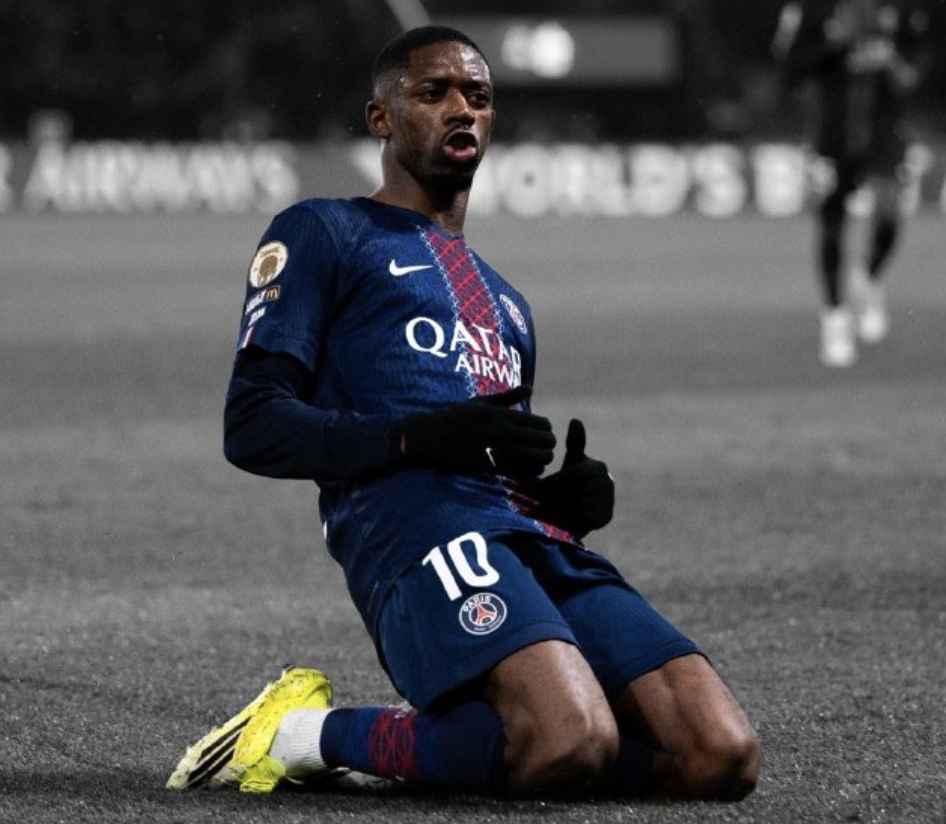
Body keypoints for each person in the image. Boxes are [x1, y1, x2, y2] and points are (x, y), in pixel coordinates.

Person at [166, 25, 760, 801]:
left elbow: (488, 461)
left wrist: (562, 502)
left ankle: (494, 737)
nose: (461, 109)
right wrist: (418, 436)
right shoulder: (324, 231)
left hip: (534, 541)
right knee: (568, 741)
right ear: (381, 118)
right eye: (433, 92)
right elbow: (252, 425)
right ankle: (297, 736)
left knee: (720, 754)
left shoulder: (508, 304)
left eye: (478, 96)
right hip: (416, 535)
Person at [772, 0, 931, 367]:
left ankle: (869, 278)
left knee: (889, 214)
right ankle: (834, 318)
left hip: (884, 133)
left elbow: (913, 72)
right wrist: (833, 44)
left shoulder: (900, 9)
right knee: (831, 225)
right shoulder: (810, 11)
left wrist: (893, 60)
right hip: (833, 134)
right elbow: (789, 72)